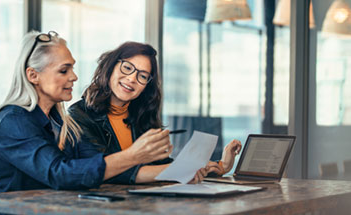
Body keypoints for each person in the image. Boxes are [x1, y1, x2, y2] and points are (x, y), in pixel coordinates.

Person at [0, 32, 172, 215]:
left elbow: (100, 168)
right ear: (33, 75)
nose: (74, 76)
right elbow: (59, 173)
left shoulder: (62, 124)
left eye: (72, 67)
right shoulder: (12, 120)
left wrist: (183, 170)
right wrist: (133, 155)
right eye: (64, 70)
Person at [68, 41, 242, 184]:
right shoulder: (79, 115)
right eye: (127, 68)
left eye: (143, 76)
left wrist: (219, 166)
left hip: (142, 204)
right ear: (111, 67)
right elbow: (106, 170)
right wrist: (181, 170)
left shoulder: (140, 115)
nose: (132, 79)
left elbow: (160, 166)